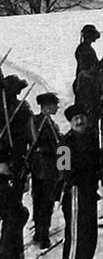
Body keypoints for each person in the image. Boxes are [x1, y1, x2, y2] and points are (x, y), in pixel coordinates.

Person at [58, 105, 103, 259]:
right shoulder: (65, 144)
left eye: (82, 117)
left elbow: (101, 159)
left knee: (90, 237)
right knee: (75, 239)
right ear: (70, 123)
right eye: (75, 119)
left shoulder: (91, 137)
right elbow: (65, 173)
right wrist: (95, 174)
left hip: (89, 193)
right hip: (75, 194)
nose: (79, 121)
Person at [28, 92, 61, 249]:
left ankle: (38, 232)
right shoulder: (47, 125)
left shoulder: (33, 121)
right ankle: (44, 235)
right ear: (47, 107)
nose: (57, 107)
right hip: (48, 167)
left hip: (36, 167)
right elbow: (59, 147)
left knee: (38, 199)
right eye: (55, 105)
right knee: (47, 201)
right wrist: (64, 167)